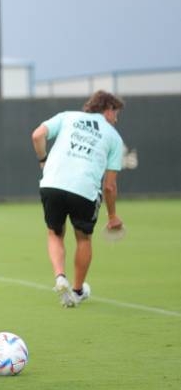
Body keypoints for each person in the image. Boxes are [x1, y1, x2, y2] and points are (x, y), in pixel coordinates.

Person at [31, 90, 124, 307]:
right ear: (108, 110)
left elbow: (37, 135)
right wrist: (112, 216)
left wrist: (43, 160)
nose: (116, 119)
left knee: (55, 233)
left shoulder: (67, 117)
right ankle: (77, 290)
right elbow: (109, 186)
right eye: (116, 113)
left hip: (52, 183)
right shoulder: (113, 137)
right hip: (84, 189)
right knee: (83, 238)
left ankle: (59, 276)